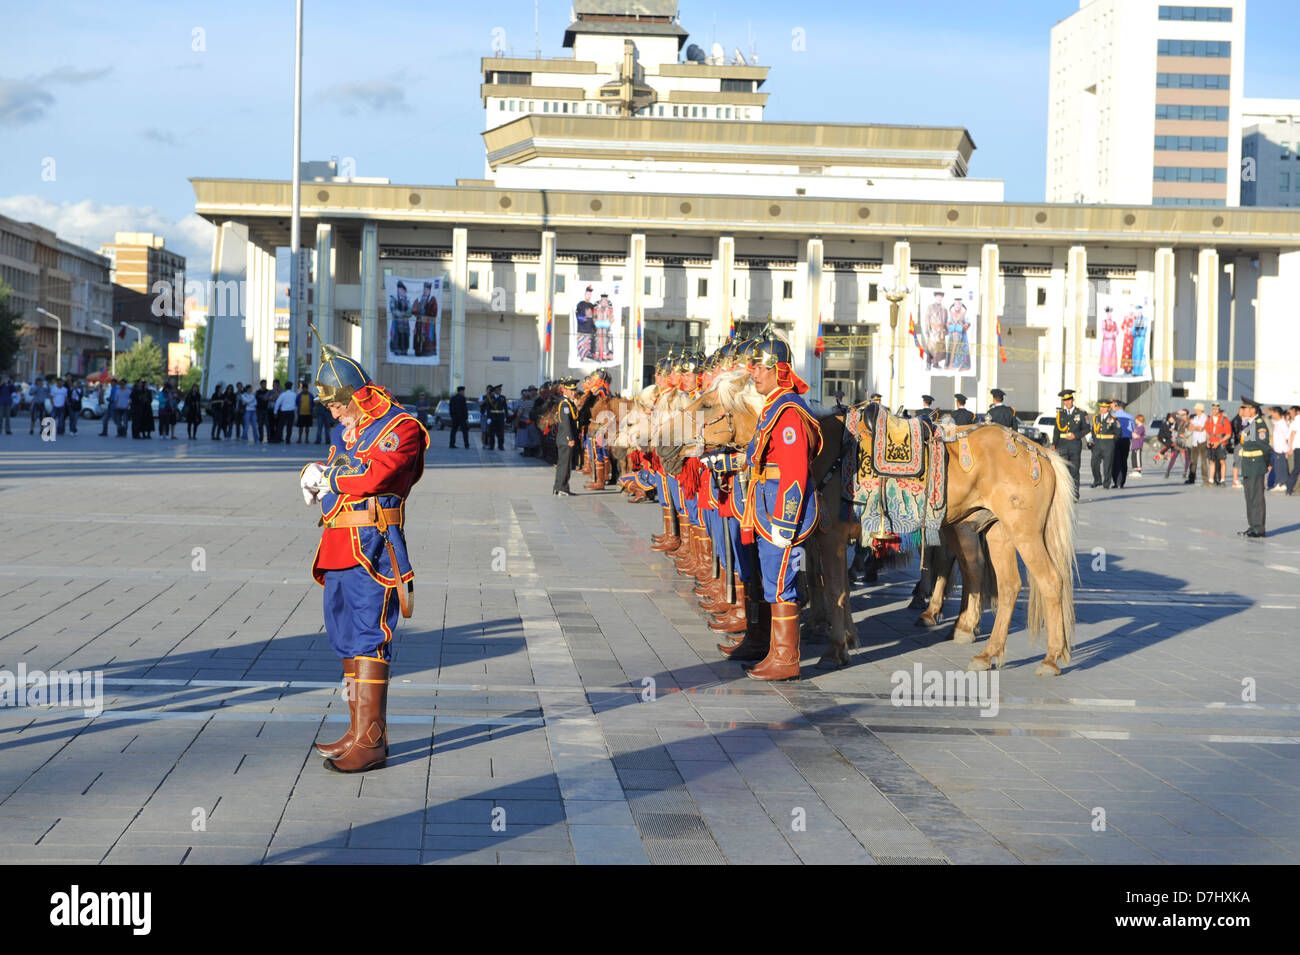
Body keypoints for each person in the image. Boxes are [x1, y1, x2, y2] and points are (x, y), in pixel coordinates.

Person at [298, 343, 430, 772]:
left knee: (370, 634)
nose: (334, 415)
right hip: (338, 543)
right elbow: (343, 472)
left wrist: (329, 476)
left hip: (373, 544)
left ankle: (371, 741)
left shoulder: (401, 426)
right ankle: (357, 729)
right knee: (344, 637)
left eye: (337, 405)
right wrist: (315, 475)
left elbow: (374, 475)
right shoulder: (349, 431)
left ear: (355, 396)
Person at [701, 330, 821, 681]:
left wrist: (787, 519)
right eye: (752, 367)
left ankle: (786, 657)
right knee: (771, 577)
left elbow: (795, 470)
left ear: (779, 371)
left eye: (760, 368)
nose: (753, 373)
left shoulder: (788, 410)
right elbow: (759, 457)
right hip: (764, 498)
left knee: (782, 579)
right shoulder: (773, 405)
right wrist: (727, 464)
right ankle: (774, 649)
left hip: (781, 507)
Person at [1237, 397, 1270, 538]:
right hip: (1248, 464)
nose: (1243, 411)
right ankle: (1252, 526)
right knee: (1249, 497)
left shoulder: (1259, 425)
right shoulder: (1249, 424)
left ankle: (1259, 528)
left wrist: (1268, 463)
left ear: (1253, 410)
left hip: (1256, 465)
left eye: (1245, 408)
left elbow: (1264, 446)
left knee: (1256, 498)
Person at [1052, 389, 1088, 500]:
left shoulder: (1081, 413)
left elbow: (1086, 429)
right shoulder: (1060, 414)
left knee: (1074, 470)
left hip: (1074, 445)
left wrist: (1076, 435)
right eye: (1065, 401)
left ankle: (1075, 495)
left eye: (1069, 400)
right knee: (1063, 471)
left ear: (1073, 400)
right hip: (1062, 445)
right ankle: (1064, 495)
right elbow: (1057, 430)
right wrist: (1054, 444)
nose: (1067, 403)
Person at [552, 377, 579, 496]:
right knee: (565, 464)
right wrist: (570, 438)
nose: (574, 393)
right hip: (565, 439)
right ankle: (561, 488)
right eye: (571, 390)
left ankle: (560, 487)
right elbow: (565, 422)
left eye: (575, 390)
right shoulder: (565, 404)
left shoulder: (568, 403)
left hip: (565, 438)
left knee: (565, 464)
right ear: (566, 391)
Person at [1090, 399, 1119, 488]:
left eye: (1104, 407)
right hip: (1097, 444)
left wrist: (1112, 443)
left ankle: (1106, 483)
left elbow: (1118, 432)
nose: (1101, 409)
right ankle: (1097, 480)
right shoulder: (1096, 418)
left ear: (1108, 409)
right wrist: (1092, 441)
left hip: (1108, 445)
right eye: (1101, 407)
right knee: (1094, 463)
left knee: (1107, 466)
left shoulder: (1113, 419)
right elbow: (1093, 431)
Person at [1205, 403, 1232, 486]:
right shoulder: (1209, 419)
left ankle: (1222, 480)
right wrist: (1208, 440)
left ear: (1219, 409)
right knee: (1211, 461)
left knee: (1222, 461)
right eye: (1213, 409)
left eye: (1216, 409)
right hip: (1212, 442)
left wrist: (1219, 442)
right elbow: (1207, 432)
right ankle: (1211, 479)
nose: (1214, 411)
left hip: (1221, 443)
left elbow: (1228, 434)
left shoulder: (1224, 420)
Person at [1110, 399, 1134, 489]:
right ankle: (1122, 482)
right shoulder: (1130, 417)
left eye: (1113, 405)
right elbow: (1132, 430)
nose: (1112, 406)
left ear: (1117, 405)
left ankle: (1116, 481)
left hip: (1115, 440)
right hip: (1126, 440)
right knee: (1123, 461)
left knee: (1115, 461)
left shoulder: (1112, 416)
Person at [1269, 406, 1291, 492]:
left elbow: (1287, 437)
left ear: (1276, 413)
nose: (1271, 415)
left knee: (1282, 467)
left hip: (1282, 449)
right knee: (1277, 467)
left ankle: (1283, 483)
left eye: (1272, 413)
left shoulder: (1282, 423)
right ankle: (1278, 483)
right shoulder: (1277, 422)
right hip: (1277, 449)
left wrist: (1287, 450)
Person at [1164, 409, 1191, 480]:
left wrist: (1185, 437)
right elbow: (1172, 415)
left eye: (1184, 414)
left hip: (1186, 441)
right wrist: (1178, 412)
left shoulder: (1190, 422)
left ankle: (1185, 472)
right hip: (1179, 441)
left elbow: (1192, 432)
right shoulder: (1180, 421)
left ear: (1187, 415)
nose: (1183, 416)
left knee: (1187, 458)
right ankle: (1168, 471)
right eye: (1182, 415)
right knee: (1174, 456)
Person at [1188, 402, 1208, 485]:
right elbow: (1189, 427)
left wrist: (1194, 427)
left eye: (1196, 409)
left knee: (1203, 461)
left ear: (1200, 409)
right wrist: (1196, 427)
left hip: (1202, 441)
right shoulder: (1195, 417)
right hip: (1195, 441)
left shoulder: (1205, 418)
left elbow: (1201, 429)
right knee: (1193, 460)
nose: (1195, 410)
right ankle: (1191, 478)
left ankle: (1205, 479)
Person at [485, 384, 508, 451]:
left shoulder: (503, 397)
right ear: (495, 391)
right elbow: (488, 408)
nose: (500, 391)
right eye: (499, 390)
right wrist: (488, 417)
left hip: (500, 417)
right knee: (491, 432)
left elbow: (505, 407)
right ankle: (491, 446)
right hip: (492, 417)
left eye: (500, 390)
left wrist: (506, 416)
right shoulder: (490, 397)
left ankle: (501, 446)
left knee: (500, 432)